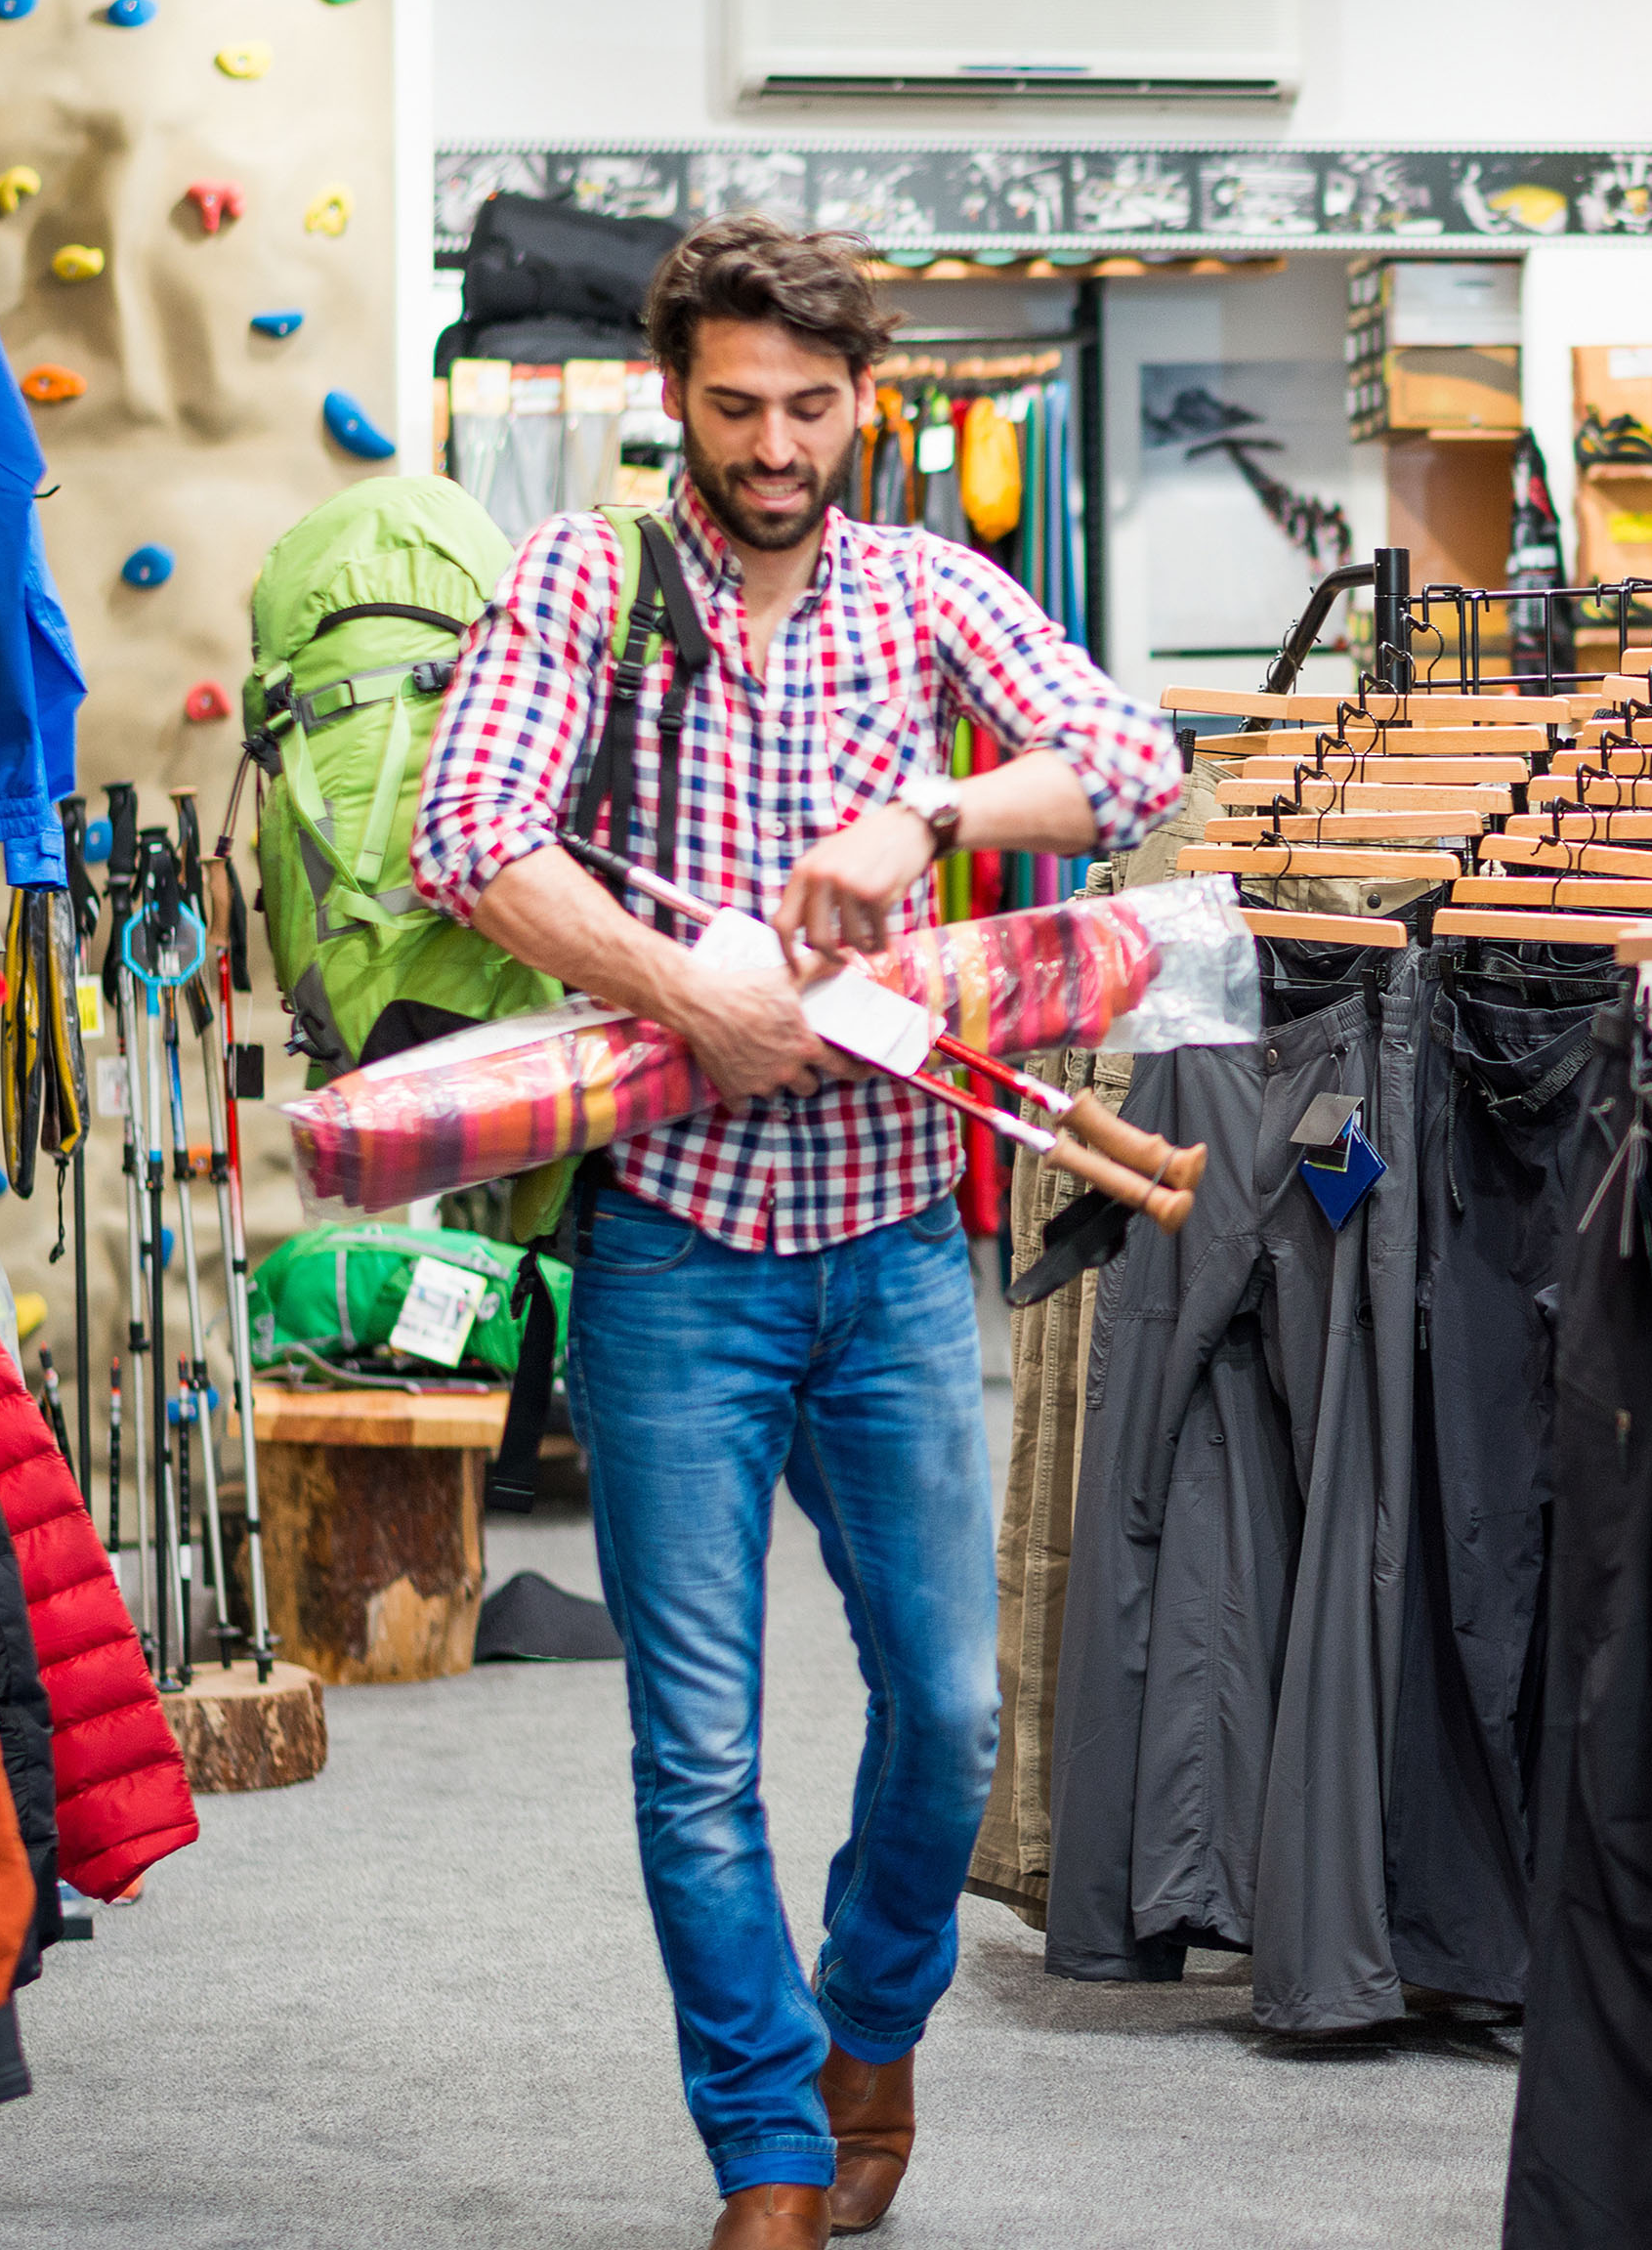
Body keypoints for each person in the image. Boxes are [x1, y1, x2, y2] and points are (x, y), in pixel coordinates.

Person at [408, 216, 1180, 2250]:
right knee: (699, 1747)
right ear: (677, 394)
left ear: (865, 404)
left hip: (896, 1249)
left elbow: (1130, 757)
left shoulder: (929, 585)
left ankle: (871, 2023)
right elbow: (468, 833)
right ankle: (763, 2139)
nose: (771, 442)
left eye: (809, 407)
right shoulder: (587, 575)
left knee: (947, 1709)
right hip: (674, 1258)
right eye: (735, 404)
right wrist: (693, 998)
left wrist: (924, 816)